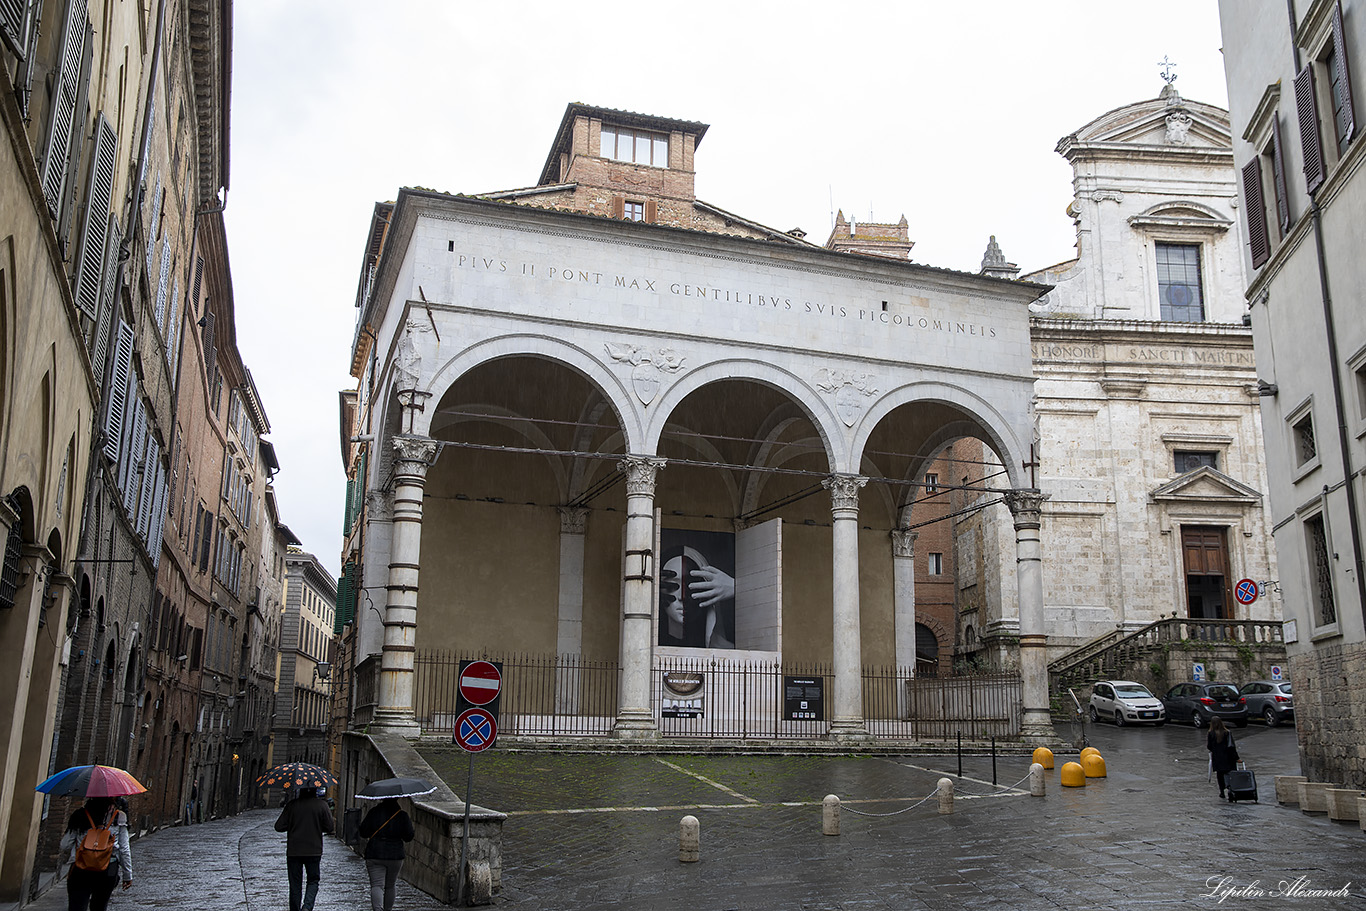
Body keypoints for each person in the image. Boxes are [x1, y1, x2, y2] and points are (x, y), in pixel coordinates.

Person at [60, 795, 132, 911]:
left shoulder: (79, 815)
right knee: (100, 906)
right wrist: (127, 875)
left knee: (77, 906)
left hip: (81, 868)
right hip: (108, 869)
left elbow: (65, 845)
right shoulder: (119, 816)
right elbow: (124, 848)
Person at [274, 786, 335, 911]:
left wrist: (293, 824)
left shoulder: (292, 805)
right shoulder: (322, 805)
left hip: (294, 851)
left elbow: (279, 826)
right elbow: (329, 827)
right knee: (313, 880)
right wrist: (317, 826)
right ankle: (307, 907)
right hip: (314, 850)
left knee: (295, 883)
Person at [358, 797, 416, 911]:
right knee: (390, 885)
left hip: (375, 853)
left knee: (376, 885)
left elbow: (363, 832)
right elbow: (409, 837)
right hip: (395, 855)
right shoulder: (402, 815)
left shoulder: (373, 812)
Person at [1207, 716, 1240, 798]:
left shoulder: (1211, 733)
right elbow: (1231, 747)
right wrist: (1237, 758)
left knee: (1220, 775)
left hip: (1218, 759)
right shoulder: (1227, 733)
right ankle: (1230, 789)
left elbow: (1209, 746)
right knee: (1230, 774)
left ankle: (1222, 791)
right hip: (1229, 758)